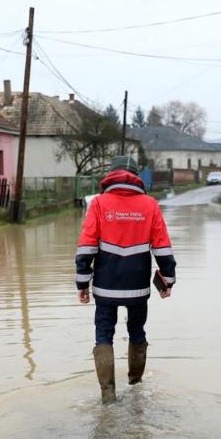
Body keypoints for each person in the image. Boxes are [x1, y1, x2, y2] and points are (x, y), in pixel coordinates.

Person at [75, 156, 176, 403]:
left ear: (111, 175)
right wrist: (168, 279)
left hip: (105, 288)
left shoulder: (98, 204)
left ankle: (108, 397)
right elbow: (162, 248)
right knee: (137, 332)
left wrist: (82, 283)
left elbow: (87, 246)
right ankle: (136, 386)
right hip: (138, 288)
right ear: (136, 176)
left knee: (103, 335)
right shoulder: (150, 205)